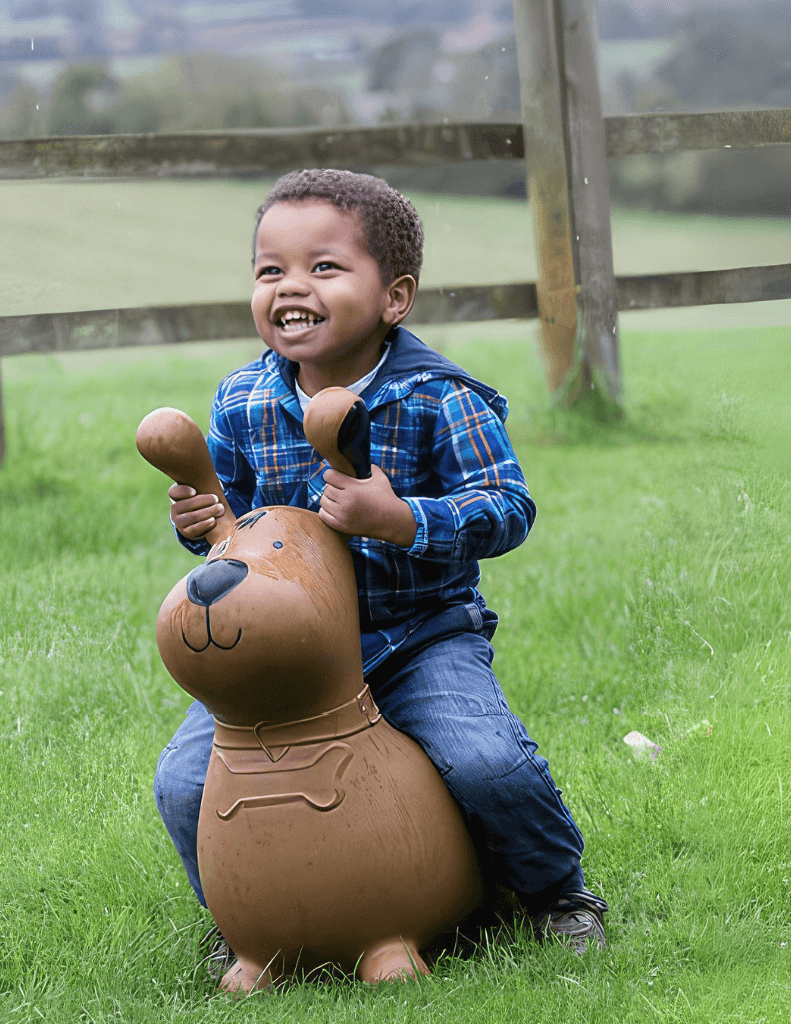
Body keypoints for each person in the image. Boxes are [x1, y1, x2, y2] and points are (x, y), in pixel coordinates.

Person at [153, 168, 607, 970]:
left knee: (484, 760)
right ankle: (245, 915)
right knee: (187, 781)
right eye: (271, 271)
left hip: (417, 633)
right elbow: (237, 532)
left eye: (324, 267)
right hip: (290, 657)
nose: (292, 286)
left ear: (394, 297)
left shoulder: (441, 399)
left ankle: (554, 892)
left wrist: (403, 520)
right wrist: (203, 529)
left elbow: (508, 508)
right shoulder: (242, 403)